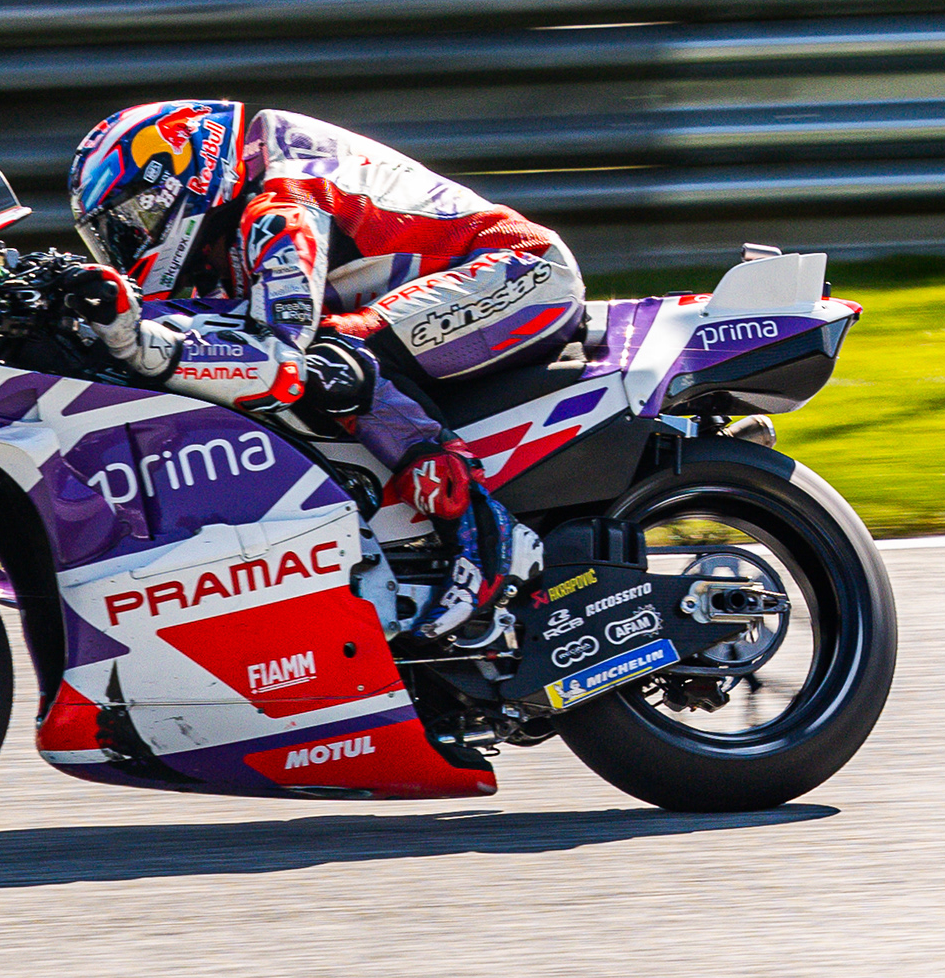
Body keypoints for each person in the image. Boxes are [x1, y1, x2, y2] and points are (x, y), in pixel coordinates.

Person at [62, 100, 575, 648]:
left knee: (331, 358)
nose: (130, 243)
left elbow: (278, 360)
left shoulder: (281, 202)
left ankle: (483, 534)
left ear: (182, 180)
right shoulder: (229, 226)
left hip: (520, 272)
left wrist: (141, 346)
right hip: (459, 286)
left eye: (134, 219)